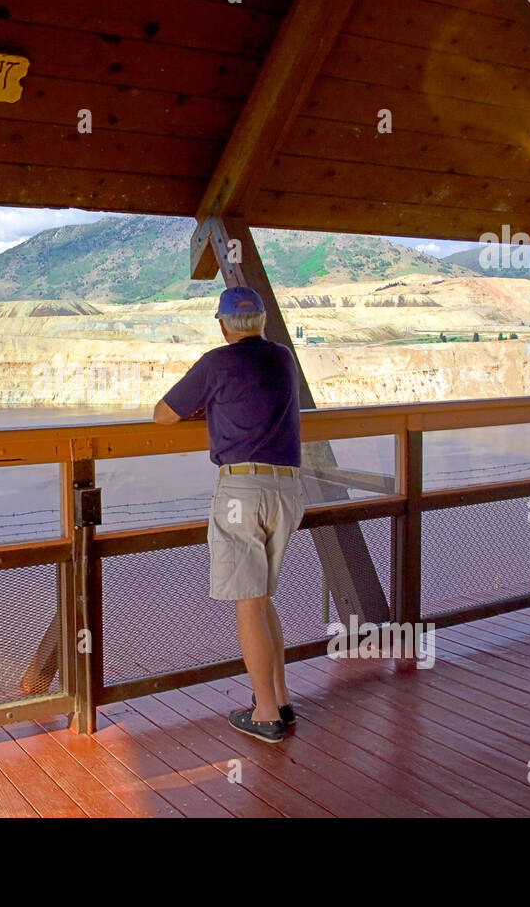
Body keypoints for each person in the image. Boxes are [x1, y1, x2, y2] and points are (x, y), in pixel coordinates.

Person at [153, 286, 304, 743]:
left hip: (241, 489)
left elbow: (162, 415)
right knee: (261, 599)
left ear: (222, 325)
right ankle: (279, 699)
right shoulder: (282, 358)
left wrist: (207, 405)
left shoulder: (216, 363)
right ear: (261, 321)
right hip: (288, 488)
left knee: (248, 603)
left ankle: (263, 714)